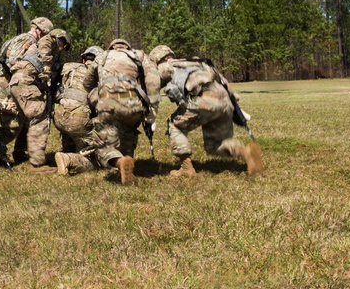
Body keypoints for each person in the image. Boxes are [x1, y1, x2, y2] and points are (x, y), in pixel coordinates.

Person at [154, 48, 264, 177]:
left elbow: (153, 86)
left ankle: (186, 168)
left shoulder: (165, 66)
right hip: (225, 101)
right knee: (215, 145)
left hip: (205, 100)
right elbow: (224, 83)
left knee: (175, 124)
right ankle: (245, 152)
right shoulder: (198, 62)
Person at [90, 39, 161, 185]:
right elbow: (154, 79)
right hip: (133, 105)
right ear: (128, 47)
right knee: (128, 131)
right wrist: (152, 107)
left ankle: (119, 162)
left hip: (108, 104)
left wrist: (93, 95)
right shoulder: (139, 55)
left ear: (111, 47)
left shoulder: (102, 57)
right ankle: (127, 166)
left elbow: (87, 81)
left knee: (104, 143)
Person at [0, 16, 53, 161]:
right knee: (13, 125)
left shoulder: (20, 38)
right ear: (39, 31)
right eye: (44, 35)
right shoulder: (27, 40)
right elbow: (14, 61)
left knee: (24, 117)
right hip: (4, 85)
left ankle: (19, 151)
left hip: (5, 83)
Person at [9, 27, 71, 171]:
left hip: (18, 83)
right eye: (64, 44)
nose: (63, 48)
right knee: (39, 118)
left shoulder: (51, 51)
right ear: (59, 38)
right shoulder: (47, 40)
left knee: (26, 120)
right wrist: (47, 69)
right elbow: (44, 48)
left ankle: (18, 152)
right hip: (25, 82)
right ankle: (37, 164)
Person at [53, 46, 103, 175]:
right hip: (78, 119)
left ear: (83, 60)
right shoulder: (98, 74)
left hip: (59, 115)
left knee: (70, 127)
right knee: (96, 160)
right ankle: (68, 159)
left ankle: (67, 150)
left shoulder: (68, 67)